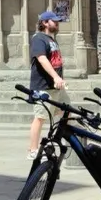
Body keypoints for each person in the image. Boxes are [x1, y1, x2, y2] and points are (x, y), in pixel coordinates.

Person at [26, 11, 67, 159]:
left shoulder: (51, 39)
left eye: (57, 21)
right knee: (40, 117)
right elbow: (42, 59)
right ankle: (33, 150)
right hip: (43, 86)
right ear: (44, 23)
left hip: (56, 87)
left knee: (65, 112)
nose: (56, 23)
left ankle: (56, 141)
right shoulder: (39, 39)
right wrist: (56, 77)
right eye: (53, 21)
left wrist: (60, 79)